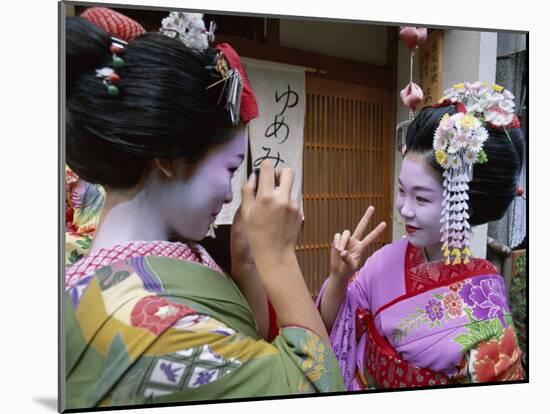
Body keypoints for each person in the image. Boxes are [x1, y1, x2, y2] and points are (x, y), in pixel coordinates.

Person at [64, 10, 344, 410]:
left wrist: (246, 261)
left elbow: (245, 342)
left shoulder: (147, 254)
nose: (231, 195)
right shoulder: (149, 325)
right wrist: (279, 258)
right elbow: (316, 389)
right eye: (230, 168)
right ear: (168, 158)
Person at [317, 82, 525, 390]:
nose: (405, 209)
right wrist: (337, 278)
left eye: (422, 198)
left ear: (460, 201)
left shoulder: (486, 306)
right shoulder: (385, 261)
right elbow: (333, 328)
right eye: (402, 191)